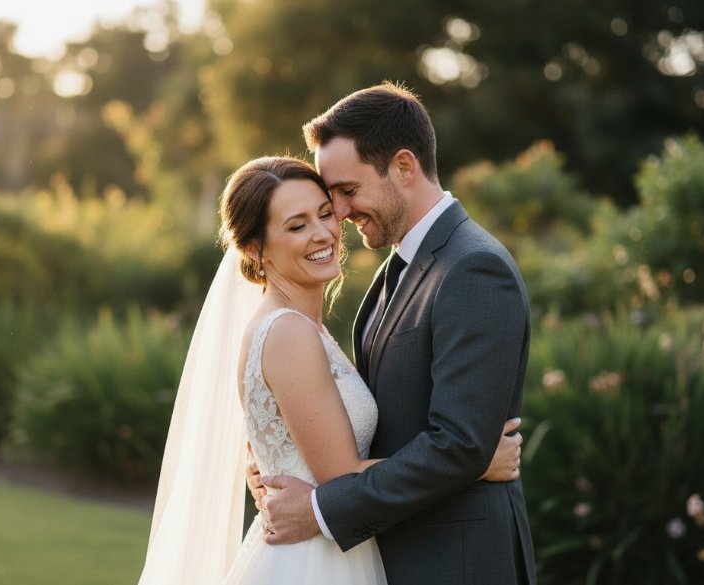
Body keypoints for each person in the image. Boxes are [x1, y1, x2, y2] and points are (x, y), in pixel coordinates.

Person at [138, 156, 523, 584]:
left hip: (337, 549)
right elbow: (340, 475)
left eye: (325, 214)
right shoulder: (288, 333)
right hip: (311, 562)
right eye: (297, 225)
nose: (323, 233)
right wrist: (472, 463)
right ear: (253, 249)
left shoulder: (303, 327)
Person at [253, 83, 537, 584]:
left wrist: (319, 507)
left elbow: (458, 444)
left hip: (458, 561)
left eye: (346, 190)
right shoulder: (399, 267)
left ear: (403, 168)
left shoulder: (473, 267)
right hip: (396, 554)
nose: (337, 213)